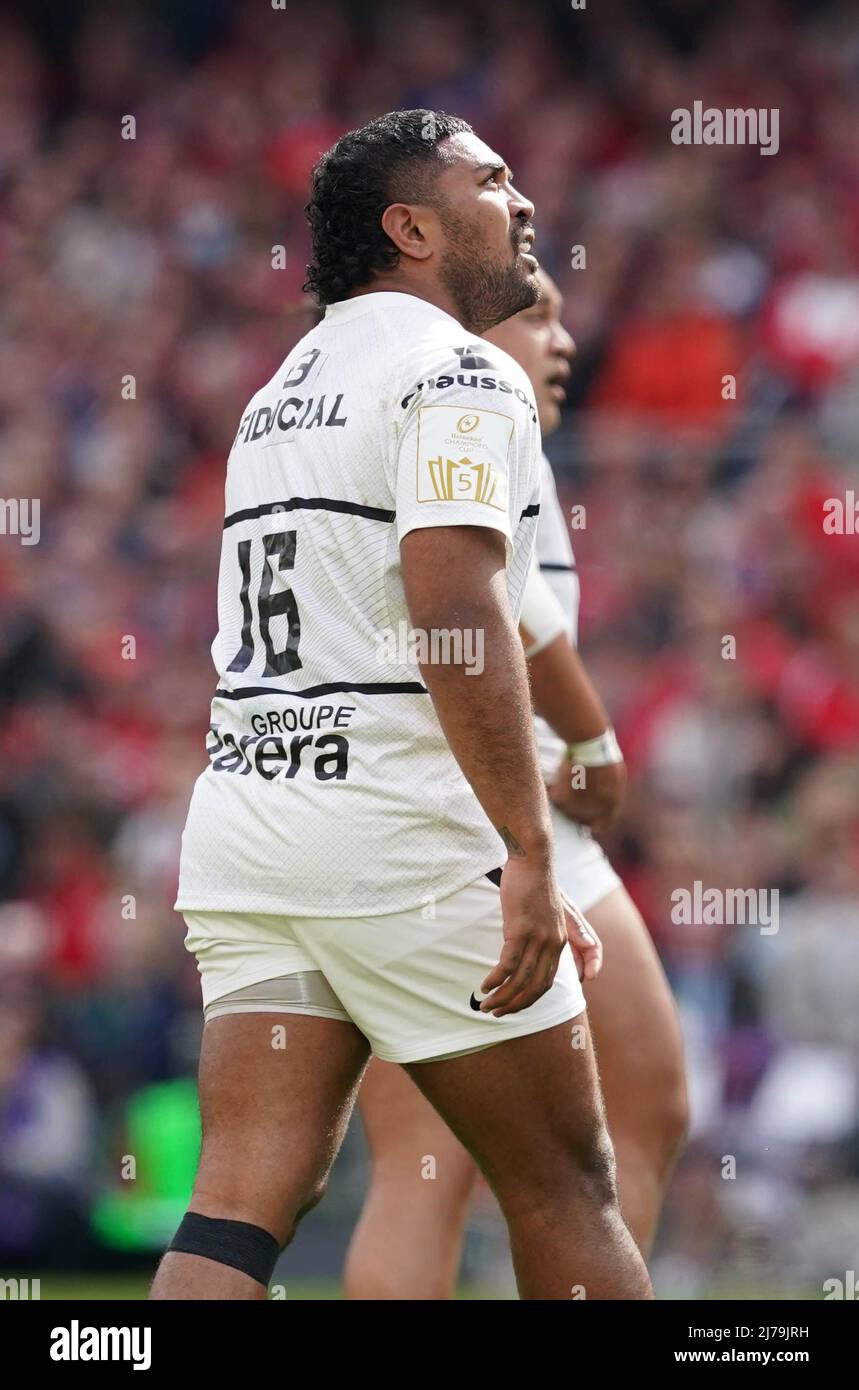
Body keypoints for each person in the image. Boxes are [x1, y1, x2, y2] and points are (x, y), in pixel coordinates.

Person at [152, 110, 651, 1300]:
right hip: (402, 842)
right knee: (565, 1187)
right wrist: (531, 847)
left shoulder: (280, 390)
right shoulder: (460, 370)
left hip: (250, 829)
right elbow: (453, 608)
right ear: (411, 227)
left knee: (233, 1207)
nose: (523, 201)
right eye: (492, 180)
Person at [344, 270, 688, 1299]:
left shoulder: (400, 415)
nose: (564, 338)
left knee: (429, 1165)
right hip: (486, 822)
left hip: (412, 820)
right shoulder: (467, 405)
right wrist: (592, 741)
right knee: (613, 1117)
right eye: (535, 313)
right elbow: (510, 606)